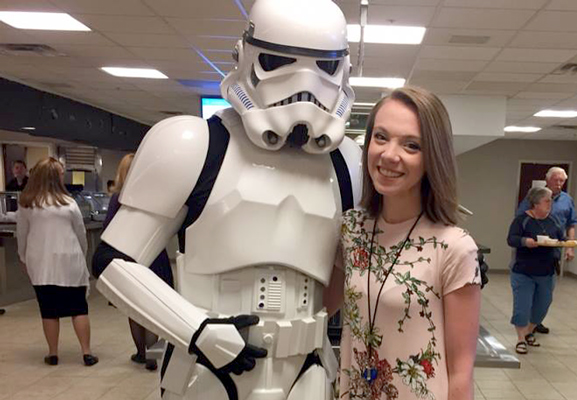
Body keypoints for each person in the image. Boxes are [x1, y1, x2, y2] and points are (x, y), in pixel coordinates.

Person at [91, 0, 361, 398]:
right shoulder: (191, 144)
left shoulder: (348, 162)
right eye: (278, 60)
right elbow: (113, 263)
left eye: (324, 66)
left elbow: (348, 268)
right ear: (245, 56)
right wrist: (196, 331)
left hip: (307, 371)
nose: (304, 85)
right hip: (207, 371)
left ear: (344, 70)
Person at [325, 86, 482, 400]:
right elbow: (319, 307)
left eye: (411, 145)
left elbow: (460, 372)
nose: (389, 155)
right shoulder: (352, 229)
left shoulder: (453, 247)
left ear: (432, 158)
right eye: (381, 137)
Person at [15, 157, 98, 366]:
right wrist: (83, 256)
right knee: (79, 308)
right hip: (70, 262)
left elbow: (22, 235)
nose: (63, 176)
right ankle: (86, 352)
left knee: (48, 310)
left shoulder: (27, 203)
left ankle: (53, 353)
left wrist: (23, 257)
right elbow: (81, 234)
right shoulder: (69, 203)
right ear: (54, 177)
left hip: (41, 264)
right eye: (61, 173)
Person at [102, 153, 173, 371]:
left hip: (128, 257)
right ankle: (153, 355)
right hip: (154, 256)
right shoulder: (155, 197)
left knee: (134, 309)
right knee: (152, 308)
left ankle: (141, 353)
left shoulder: (118, 199)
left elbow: (108, 229)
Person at [515, 166, 577, 334]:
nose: (559, 184)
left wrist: (570, 247)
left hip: (552, 252)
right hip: (530, 254)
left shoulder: (567, 200)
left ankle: (535, 322)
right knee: (527, 294)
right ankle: (526, 327)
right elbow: (520, 219)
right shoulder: (534, 196)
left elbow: (571, 224)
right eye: (556, 180)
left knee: (545, 294)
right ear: (547, 179)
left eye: (562, 181)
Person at [507, 186, 564, 355]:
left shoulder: (553, 220)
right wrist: (526, 241)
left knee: (542, 305)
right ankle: (521, 339)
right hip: (523, 271)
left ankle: (530, 331)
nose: (550, 203)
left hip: (546, 271)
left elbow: (562, 238)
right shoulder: (522, 220)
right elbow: (512, 239)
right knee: (522, 306)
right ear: (536, 203)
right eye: (547, 200)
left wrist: (568, 247)